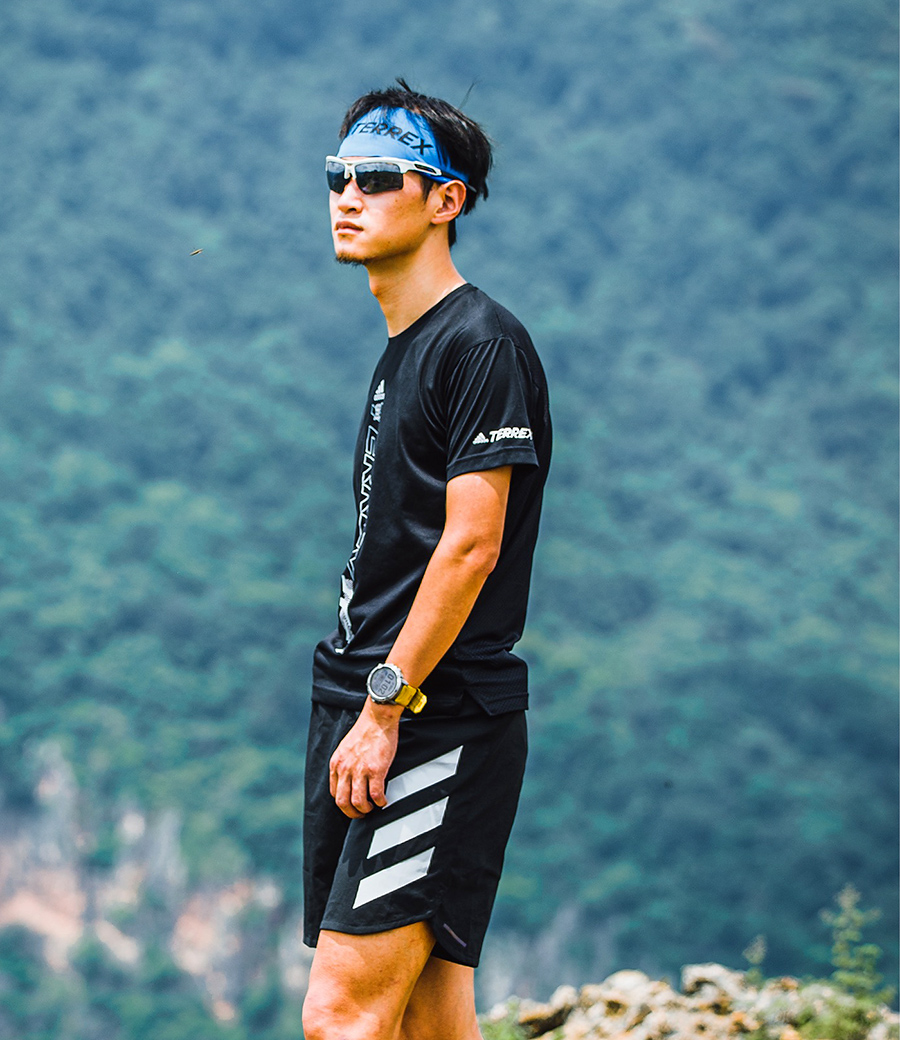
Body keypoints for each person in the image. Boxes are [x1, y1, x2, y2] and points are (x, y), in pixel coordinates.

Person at [302, 80, 551, 1040]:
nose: (348, 194)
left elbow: (472, 545)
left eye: (378, 177)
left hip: (430, 720)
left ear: (446, 200)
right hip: (374, 709)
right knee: (426, 1018)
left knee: (344, 1020)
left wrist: (383, 706)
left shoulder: (480, 344)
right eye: (338, 176)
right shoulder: (406, 346)